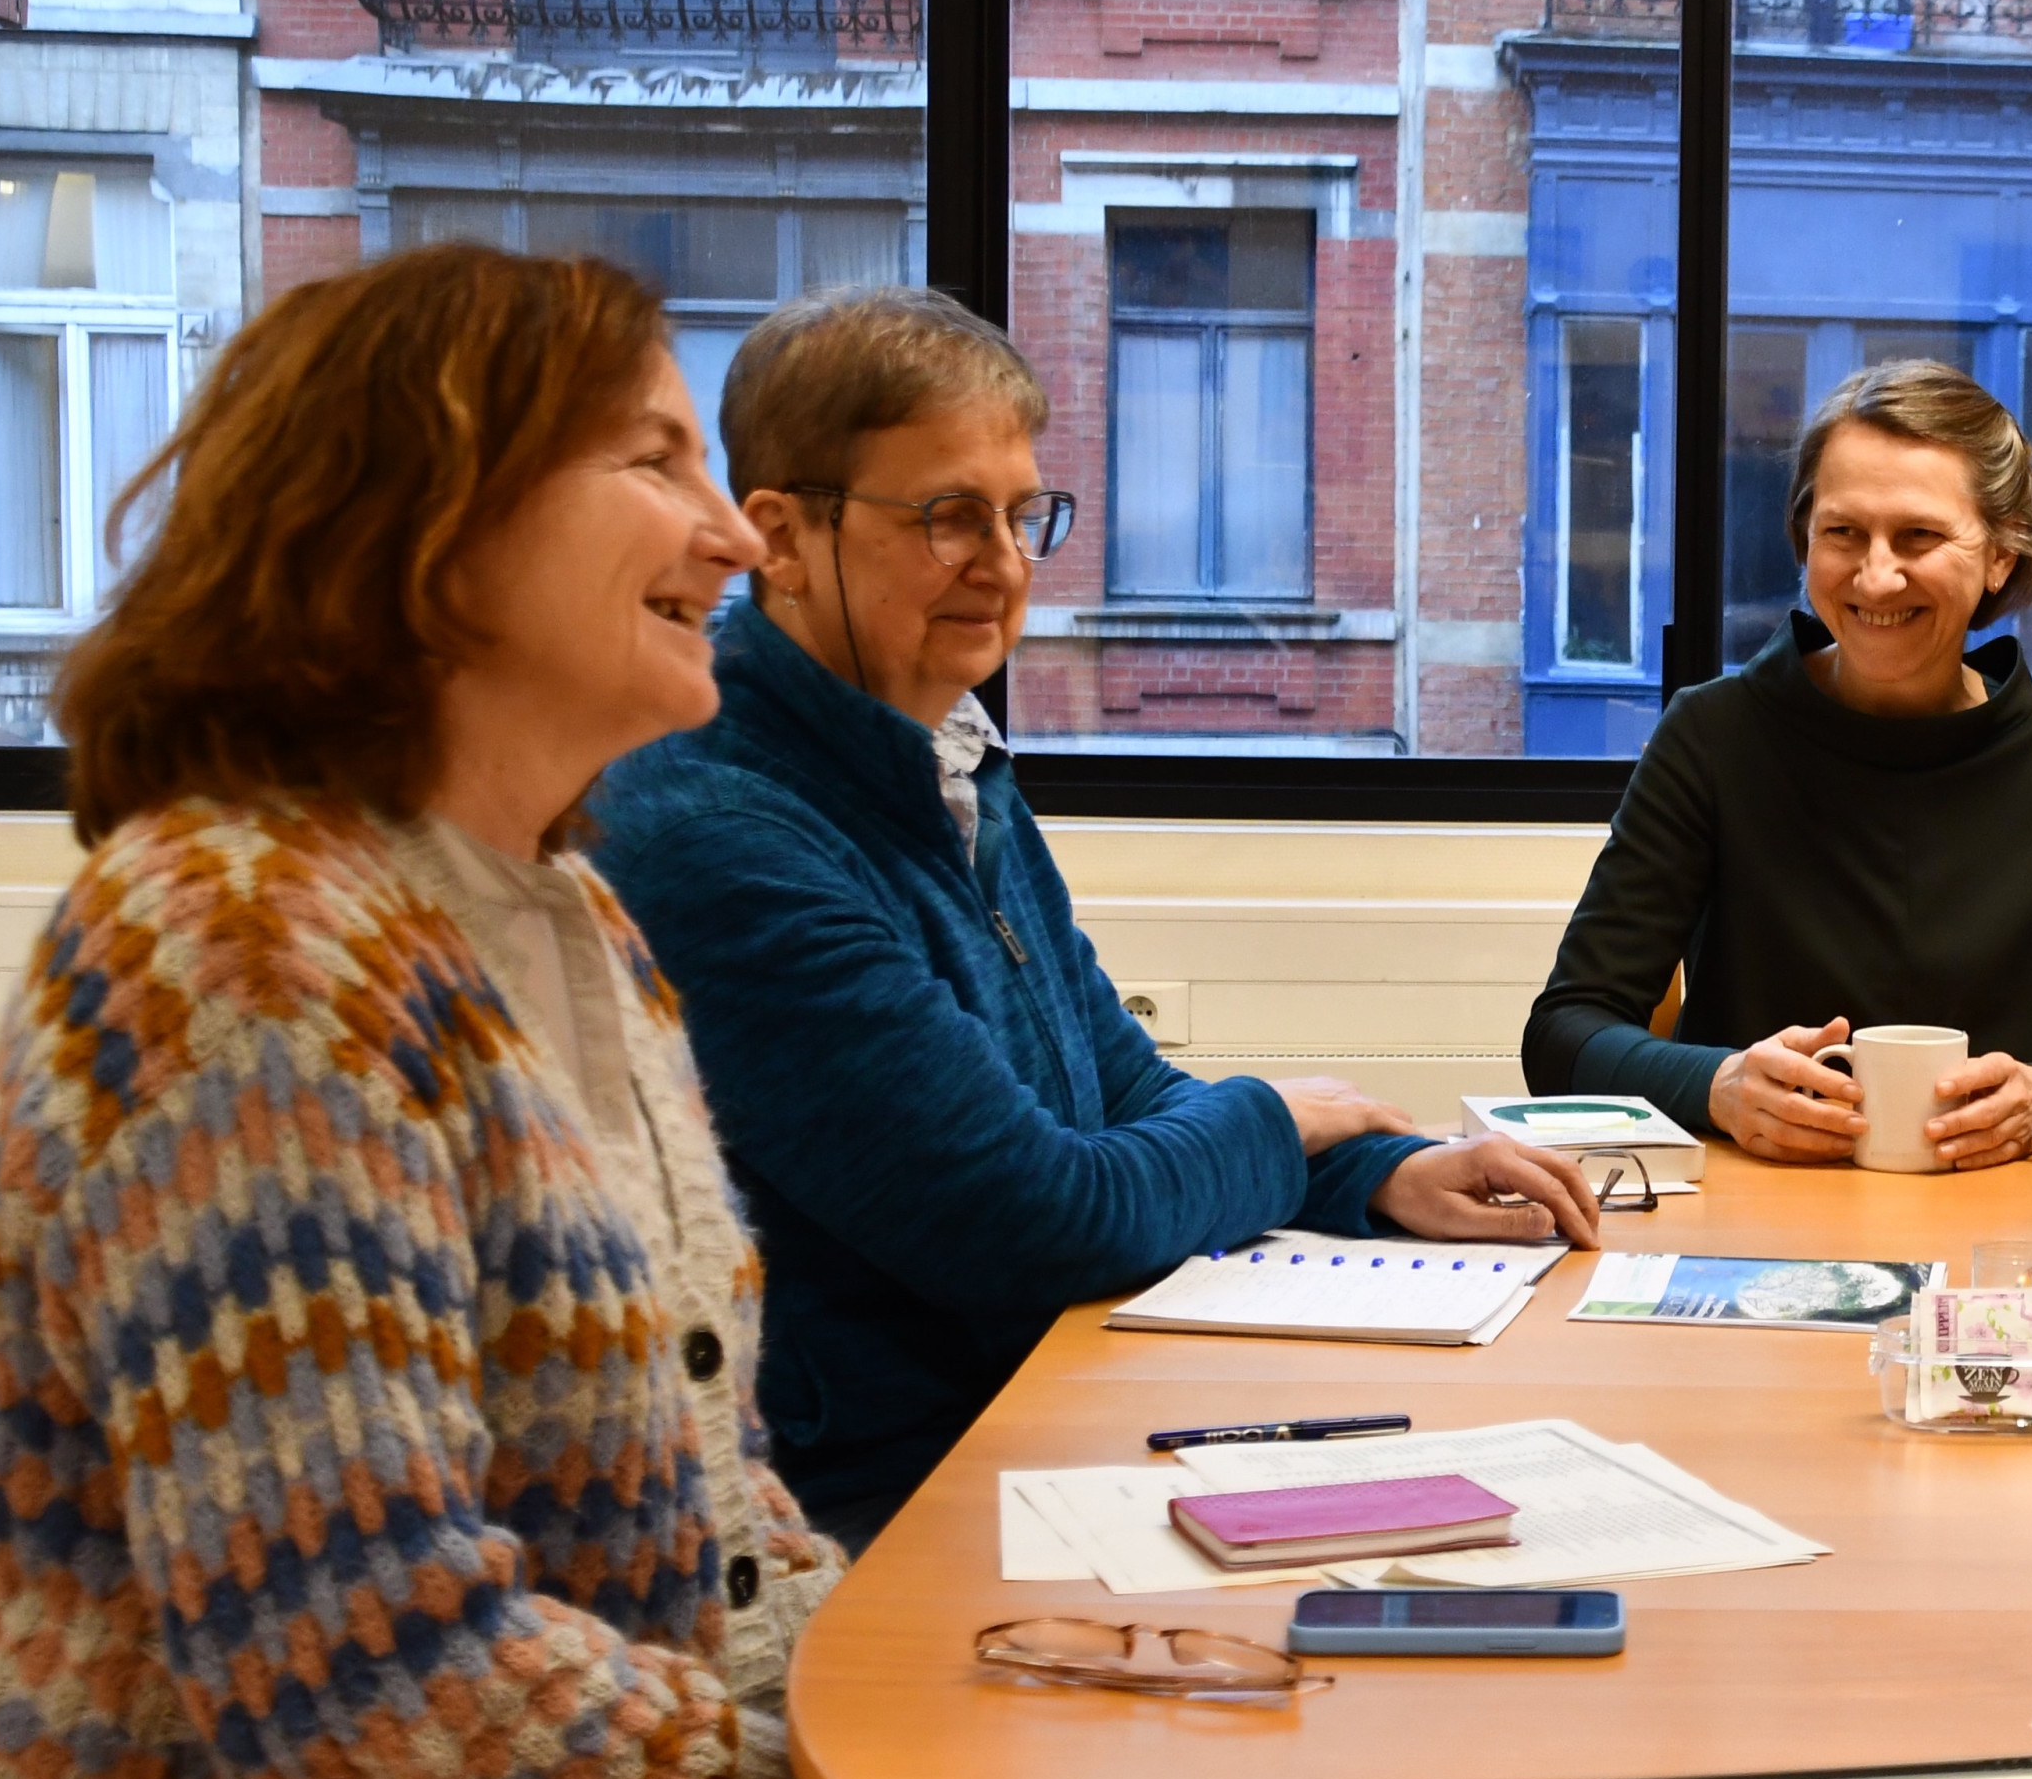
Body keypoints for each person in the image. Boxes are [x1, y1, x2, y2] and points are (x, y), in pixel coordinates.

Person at [0, 246, 1100, 1779]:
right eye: (653, 457)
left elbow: (710, 1524)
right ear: (426, 522)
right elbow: (372, 1674)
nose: (730, 530)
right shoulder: (250, 942)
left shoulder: (566, 917)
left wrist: (987, 1707)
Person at [591, 289, 1594, 1546]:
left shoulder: (945, 754)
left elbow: (1115, 1088)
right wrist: (1280, 1119)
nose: (1005, 566)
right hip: (879, 1501)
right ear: (783, 539)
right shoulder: (724, 831)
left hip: (1042, 1409)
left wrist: (1380, 1172)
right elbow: (1043, 1226)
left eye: (1024, 515)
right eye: (949, 517)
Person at [1522, 359, 2032, 1168]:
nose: (1876, 575)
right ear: (1805, 536)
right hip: (1759, 1215)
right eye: (1843, 533)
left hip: (1998, 1226)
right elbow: (1565, 1034)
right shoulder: (1713, 734)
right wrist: (1718, 1085)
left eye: (1920, 536)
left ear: (2002, 556)